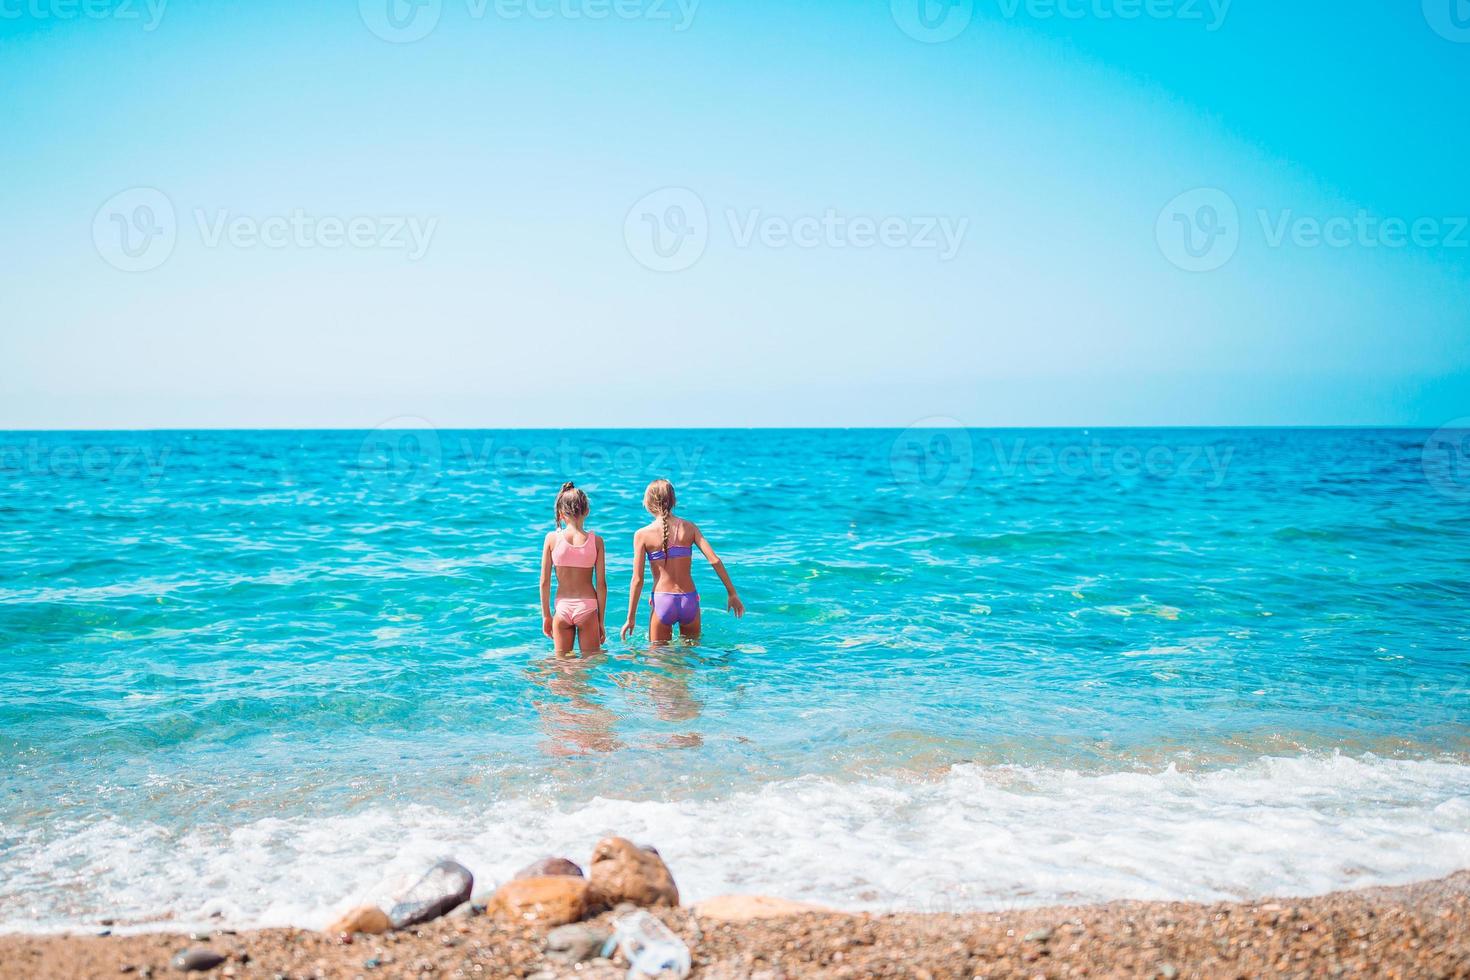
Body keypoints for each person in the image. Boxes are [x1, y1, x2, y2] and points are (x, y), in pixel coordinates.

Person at [621, 478, 744, 643]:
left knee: (657, 662)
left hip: (662, 601)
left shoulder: (642, 534)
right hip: (689, 600)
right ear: (673, 501)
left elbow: (637, 580)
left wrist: (630, 618)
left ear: (648, 503)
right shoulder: (689, 527)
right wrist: (732, 592)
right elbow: (714, 560)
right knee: (690, 660)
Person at [539, 482, 607, 654]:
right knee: (590, 664)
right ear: (587, 511)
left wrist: (546, 615)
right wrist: (600, 621)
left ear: (561, 514)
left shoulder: (551, 539)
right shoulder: (596, 542)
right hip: (588, 607)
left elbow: (544, 582)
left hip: (562, 608)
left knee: (562, 667)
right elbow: (601, 585)